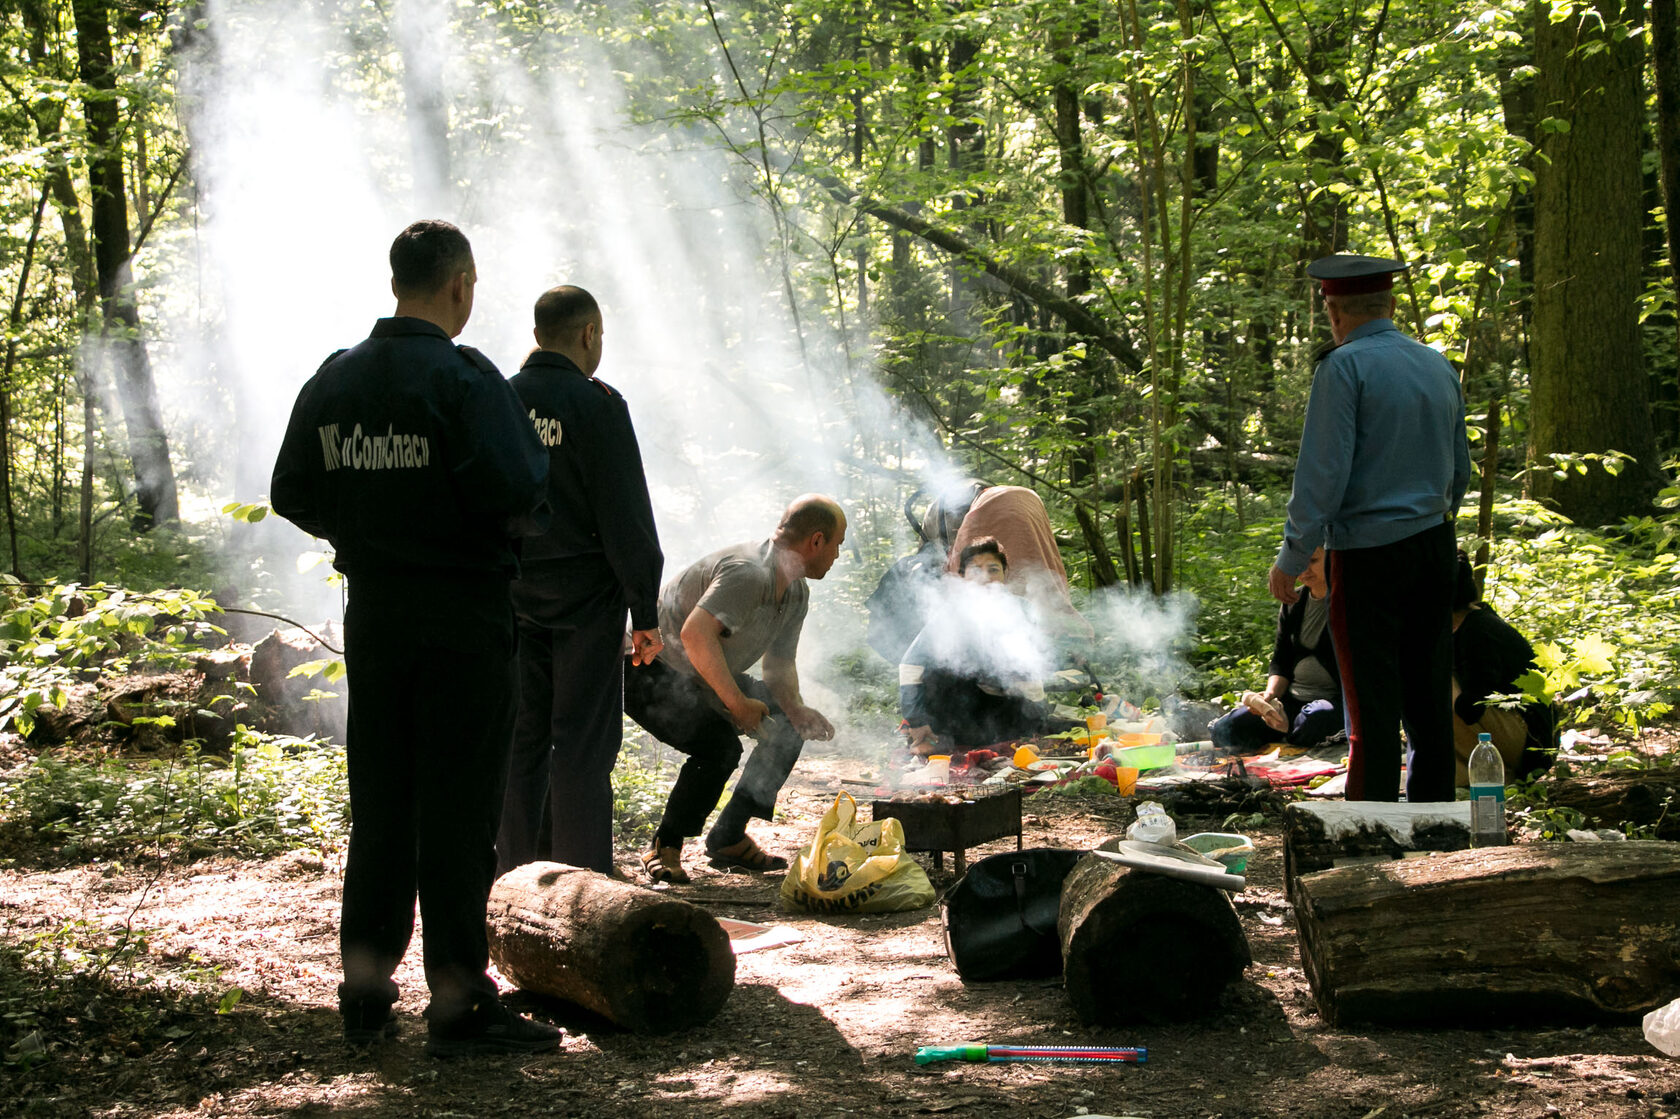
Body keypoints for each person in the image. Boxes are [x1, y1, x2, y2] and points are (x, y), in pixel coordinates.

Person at [270, 220, 561, 1057]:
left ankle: (365, 989)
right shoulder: (466, 379)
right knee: (461, 806)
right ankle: (461, 999)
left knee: (385, 802)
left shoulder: (336, 379)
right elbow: (515, 486)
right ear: (461, 285)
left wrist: (366, 530)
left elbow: (292, 489)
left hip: (378, 613)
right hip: (464, 616)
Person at [1268, 254, 1471, 803]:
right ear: (1392, 305)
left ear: (1332, 310)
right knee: (1429, 692)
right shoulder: (1436, 364)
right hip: (1434, 546)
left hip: (1368, 556)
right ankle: (1435, 823)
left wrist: (1293, 556)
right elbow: (1460, 471)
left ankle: (1372, 830)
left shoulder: (1342, 367)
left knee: (1370, 705)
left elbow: (1321, 477)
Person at [496, 286, 664, 878]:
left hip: (511, 596)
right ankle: (581, 882)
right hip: (586, 604)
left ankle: (513, 878)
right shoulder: (598, 405)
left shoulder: (501, 399)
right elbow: (626, 515)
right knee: (582, 747)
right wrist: (645, 611)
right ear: (589, 333)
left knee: (521, 741)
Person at [623, 495, 845, 885]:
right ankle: (665, 845)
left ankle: (728, 836)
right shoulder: (749, 573)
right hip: (650, 669)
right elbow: (695, 635)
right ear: (816, 540)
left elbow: (778, 665)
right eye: (838, 544)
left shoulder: (795, 592)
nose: (838, 555)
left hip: (704, 673)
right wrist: (737, 704)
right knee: (718, 747)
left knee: (790, 724)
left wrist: (795, 708)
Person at [900, 538, 1063, 754]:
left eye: (993, 569)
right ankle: (938, 739)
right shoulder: (949, 613)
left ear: (1005, 574)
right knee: (941, 670)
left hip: (1000, 708)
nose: (985, 578)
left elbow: (1031, 669)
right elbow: (910, 668)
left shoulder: (1022, 610)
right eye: (976, 570)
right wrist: (917, 720)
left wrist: (1037, 721)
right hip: (956, 707)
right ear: (963, 577)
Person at [1211, 547, 1344, 754]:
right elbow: (1281, 660)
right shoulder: (1294, 602)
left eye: (1313, 561)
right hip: (1291, 701)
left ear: (1331, 558)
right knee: (1227, 729)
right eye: (1299, 563)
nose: (1305, 570)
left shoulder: (1347, 602)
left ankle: (1292, 733)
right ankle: (1288, 733)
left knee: (1314, 720)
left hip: (1332, 702)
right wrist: (1270, 698)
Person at [1450, 553, 1555, 785]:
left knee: (1437, 686)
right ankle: (1473, 778)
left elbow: (1470, 708)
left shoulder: (1478, 630)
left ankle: (1498, 777)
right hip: (1508, 733)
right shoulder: (1467, 623)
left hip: (1528, 744)